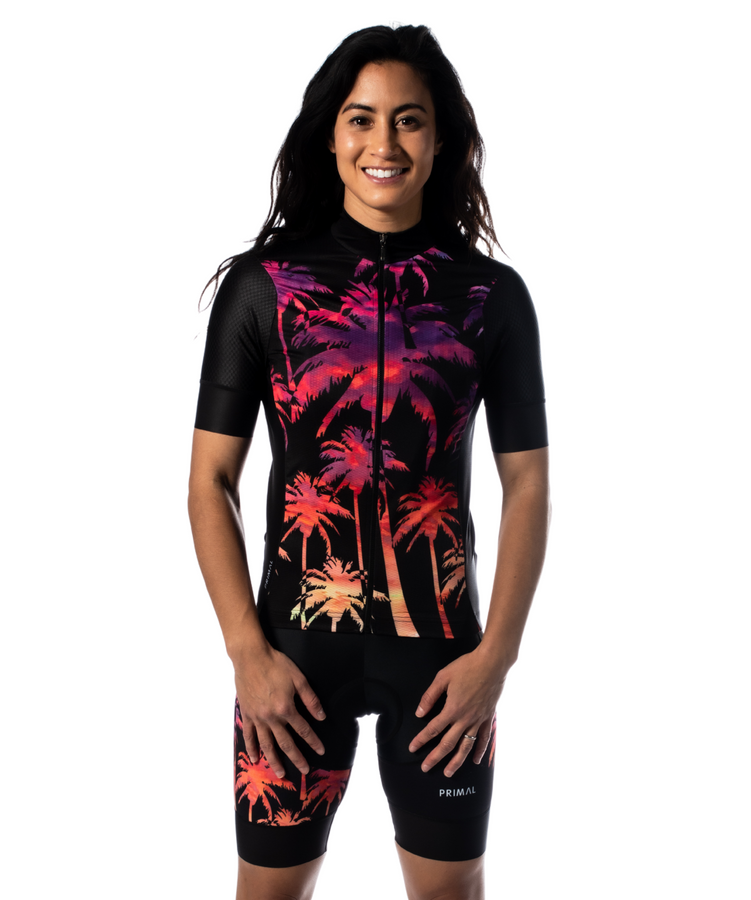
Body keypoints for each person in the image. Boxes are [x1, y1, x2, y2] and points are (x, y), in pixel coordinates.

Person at [188, 24, 550, 900]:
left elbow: (528, 482)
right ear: (331, 135)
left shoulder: (489, 298)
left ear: (441, 139)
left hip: (444, 668)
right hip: (291, 659)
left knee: (451, 891)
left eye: (409, 120)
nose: (384, 142)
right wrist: (246, 654)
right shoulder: (264, 290)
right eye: (361, 118)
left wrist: (497, 658)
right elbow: (209, 482)